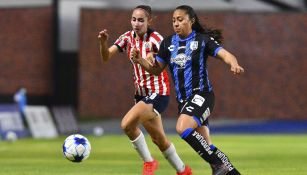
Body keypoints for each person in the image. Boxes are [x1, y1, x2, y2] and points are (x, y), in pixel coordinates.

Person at [131, 5, 244, 175]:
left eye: (180, 20)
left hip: (202, 95)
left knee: (182, 128)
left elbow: (226, 55)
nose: (176, 24)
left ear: (191, 21)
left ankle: (218, 166)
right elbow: (156, 70)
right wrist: (140, 61)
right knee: (208, 146)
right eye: (174, 21)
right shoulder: (168, 43)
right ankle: (230, 171)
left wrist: (233, 63)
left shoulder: (202, 40)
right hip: (184, 101)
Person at [97, 5, 192, 175]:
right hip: (140, 95)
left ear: (149, 21)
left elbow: (161, 67)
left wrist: (147, 59)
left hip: (158, 93)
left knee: (127, 124)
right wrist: (103, 43)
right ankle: (184, 171)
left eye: (141, 20)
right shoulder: (127, 37)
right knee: (159, 140)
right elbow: (105, 57)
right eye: (134, 19)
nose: (136, 23)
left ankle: (149, 162)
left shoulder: (156, 39)